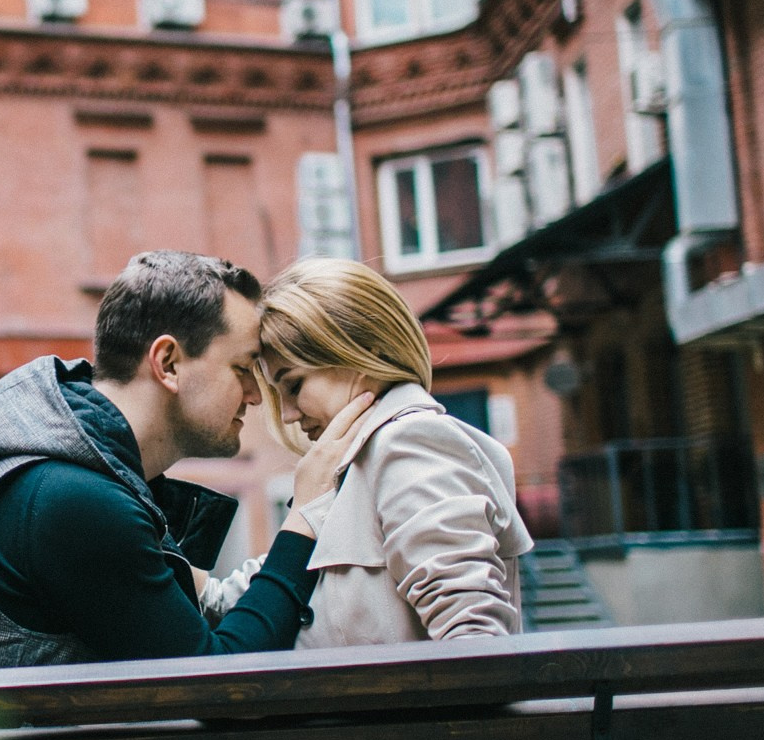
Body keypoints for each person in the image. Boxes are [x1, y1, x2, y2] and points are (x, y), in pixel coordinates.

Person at [0, 250, 373, 674]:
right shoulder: (71, 500)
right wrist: (302, 520)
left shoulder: (84, 482)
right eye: (243, 369)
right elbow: (219, 688)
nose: (254, 394)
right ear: (167, 363)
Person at [203, 256, 529, 647]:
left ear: (359, 353)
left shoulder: (411, 443)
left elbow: (475, 637)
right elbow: (243, 594)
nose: (288, 415)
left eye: (294, 385)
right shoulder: (355, 466)